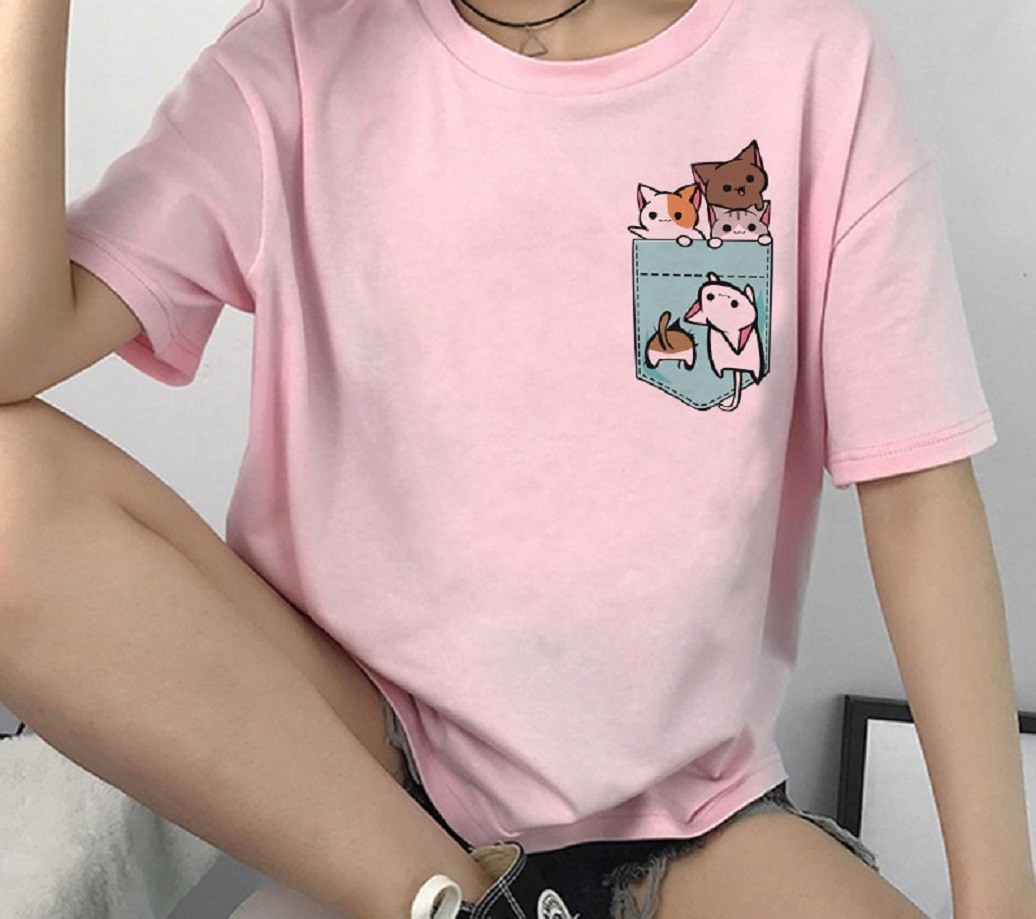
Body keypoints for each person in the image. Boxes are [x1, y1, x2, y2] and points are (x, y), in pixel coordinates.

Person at [0, 0, 1032, 917]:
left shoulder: (813, 61)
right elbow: (17, 349)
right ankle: (445, 898)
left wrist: (1001, 898)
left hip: (689, 816)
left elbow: (916, 493)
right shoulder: (302, 54)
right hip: (362, 767)